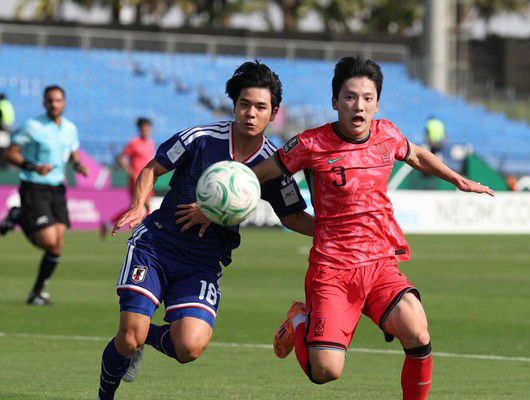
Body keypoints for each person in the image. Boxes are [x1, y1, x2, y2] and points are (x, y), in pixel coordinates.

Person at [251, 56, 493, 399]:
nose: (359, 106)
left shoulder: (387, 134)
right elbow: (265, 171)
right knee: (325, 371)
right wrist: (229, 187)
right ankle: (299, 320)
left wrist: (457, 179)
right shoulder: (311, 144)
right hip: (333, 269)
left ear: (377, 103)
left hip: (380, 265)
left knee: (417, 330)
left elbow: (418, 155)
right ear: (335, 102)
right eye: (350, 97)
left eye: (367, 98)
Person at [95, 61, 314, 400]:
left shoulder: (274, 164)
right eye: (244, 104)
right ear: (234, 106)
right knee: (128, 338)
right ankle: (105, 393)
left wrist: (337, 231)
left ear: (274, 113)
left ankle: (144, 338)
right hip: (157, 246)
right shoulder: (200, 138)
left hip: (203, 262)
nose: (251, 113)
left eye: (260, 107)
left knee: (189, 347)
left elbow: (293, 216)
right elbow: (152, 169)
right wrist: (138, 205)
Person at [0, 85, 88, 305]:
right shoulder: (33, 126)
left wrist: (78, 166)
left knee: (56, 246)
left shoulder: (70, 128)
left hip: (58, 189)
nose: (54, 104)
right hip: (34, 186)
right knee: (48, 241)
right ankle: (19, 215)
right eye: (50, 100)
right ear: (44, 103)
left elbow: (73, 153)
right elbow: (10, 153)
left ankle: (36, 293)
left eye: (58, 100)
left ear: (64, 102)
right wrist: (33, 166)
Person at [100, 117, 155, 237]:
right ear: (140, 129)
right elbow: (120, 157)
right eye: (144, 128)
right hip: (136, 180)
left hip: (148, 178)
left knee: (136, 207)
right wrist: (131, 172)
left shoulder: (150, 143)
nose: (146, 130)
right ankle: (148, 229)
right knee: (144, 204)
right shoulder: (134, 143)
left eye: (148, 128)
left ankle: (109, 223)